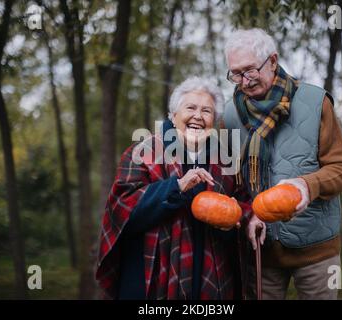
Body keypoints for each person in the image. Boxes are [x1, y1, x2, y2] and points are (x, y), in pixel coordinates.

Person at [222, 28, 342, 300]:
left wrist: (307, 185)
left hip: (317, 250)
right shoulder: (229, 114)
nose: (244, 81)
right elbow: (230, 180)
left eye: (250, 70)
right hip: (260, 249)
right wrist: (248, 213)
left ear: (272, 61)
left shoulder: (315, 101)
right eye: (235, 74)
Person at [96, 76, 257, 300]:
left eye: (207, 111)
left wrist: (250, 217)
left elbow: (239, 204)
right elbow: (122, 211)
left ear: (215, 122)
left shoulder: (226, 161)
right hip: (150, 272)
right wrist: (177, 187)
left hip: (211, 273)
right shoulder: (143, 153)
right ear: (173, 116)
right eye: (190, 107)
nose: (198, 116)